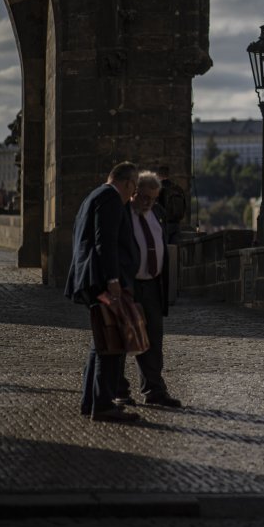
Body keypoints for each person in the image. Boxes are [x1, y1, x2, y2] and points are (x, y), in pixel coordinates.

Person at [65, 161, 141, 423]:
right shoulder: (110, 198)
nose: (134, 194)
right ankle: (103, 404)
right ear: (129, 183)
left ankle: (92, 401)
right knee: (111, 343)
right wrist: (113, 279)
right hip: (102, 280)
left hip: (91, 278)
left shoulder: (93, 196)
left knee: (101, 341)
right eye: (135, 187)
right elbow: (104, 241)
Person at [115, 171, 182, 408]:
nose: (147, 203)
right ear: (134, 192)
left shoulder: (158, 214)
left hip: (153, 286)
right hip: (130, 286)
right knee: (123, 339)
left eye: (152, 198)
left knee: (153, 339)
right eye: (143, 197)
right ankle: (119, 390)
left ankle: (154, 389)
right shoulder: (122, 214)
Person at [156, 166, 187, 244]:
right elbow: (184, 206)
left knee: (165, 251)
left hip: (165, 225)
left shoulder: (159, 188)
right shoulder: (177, 188)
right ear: (168, 174)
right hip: (176, 224)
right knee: (174, 251)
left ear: (158, 175)